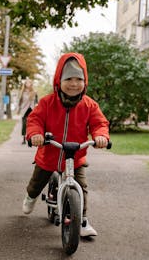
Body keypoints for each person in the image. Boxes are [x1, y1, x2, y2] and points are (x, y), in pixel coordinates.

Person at [22, 52, 110, 237]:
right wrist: (36, 134)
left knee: (81, 186)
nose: (73, 83)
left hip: (75, 156)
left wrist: (101, 136)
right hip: (49, 154)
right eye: (68, 78)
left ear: (85, 81)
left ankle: (82, 220)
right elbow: (35, 119)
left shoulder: (89, 105)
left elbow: (99, 123)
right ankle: (31, 197)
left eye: (79, 79)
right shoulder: (47, 103)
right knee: (36, 183)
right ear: (58, 80)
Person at [16, 78, 38, 144]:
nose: (28, 84)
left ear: (31, 84)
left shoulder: (34, 92)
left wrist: (37, 108)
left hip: (32, 109)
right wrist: (18, 109)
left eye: (29, 83)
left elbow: (36, 102)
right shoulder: (22, 93)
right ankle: (23, 139)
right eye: (26, 83)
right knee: (24, 124)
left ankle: (30, 138)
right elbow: (20, 102)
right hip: (24, 110)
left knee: (31, 124)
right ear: (25, 84)